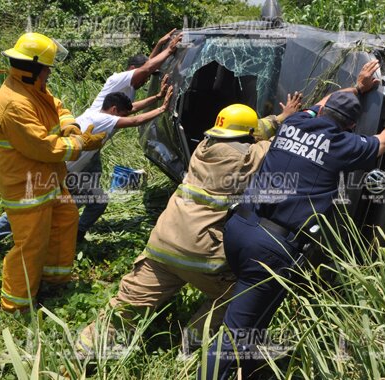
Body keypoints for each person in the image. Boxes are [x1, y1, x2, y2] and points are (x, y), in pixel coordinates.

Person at [199, 60, 385, 379]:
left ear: (321, 114)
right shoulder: (342, 143)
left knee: (256, 315)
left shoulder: (293, 124)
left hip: (239, 230)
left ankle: (253, 370)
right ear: (350, 126)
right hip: (271, 250)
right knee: (236, 333)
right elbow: (384, 142)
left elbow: (320, 104)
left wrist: (357, 87)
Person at [76, 93, 304, 357]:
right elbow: (280, 143)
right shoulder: (248, 159)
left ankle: (81, 354)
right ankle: (192, 342)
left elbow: (251, 130)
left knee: (125, 306)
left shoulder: (202, 149)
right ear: (249, 137)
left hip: (162, 245)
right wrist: (292, 118)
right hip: (202, 257)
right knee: (237, 292)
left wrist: (277, 118)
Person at [0, 32, 183, 258]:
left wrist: (157, 88)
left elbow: (127, 107)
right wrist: (167, 58)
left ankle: (74, 232)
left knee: (93, 201)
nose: (50, 72)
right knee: (33, 209)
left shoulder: (42, 89)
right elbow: (133, 114)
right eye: (47, 68)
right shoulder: (117, 83)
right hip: (66, 162)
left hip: (87, 156)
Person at [0, 32, 106, 313]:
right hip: (27, 186)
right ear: (34, 68)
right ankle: (16, 305)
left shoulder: (32, 87)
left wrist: (71, 127)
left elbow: (57, 106)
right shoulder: (15, 104)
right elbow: (44, 147)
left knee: (65, 219)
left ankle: (54, 279)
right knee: (31, 245)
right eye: (48, 67)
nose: (50, 73)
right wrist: (80, 143)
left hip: (49, 180)